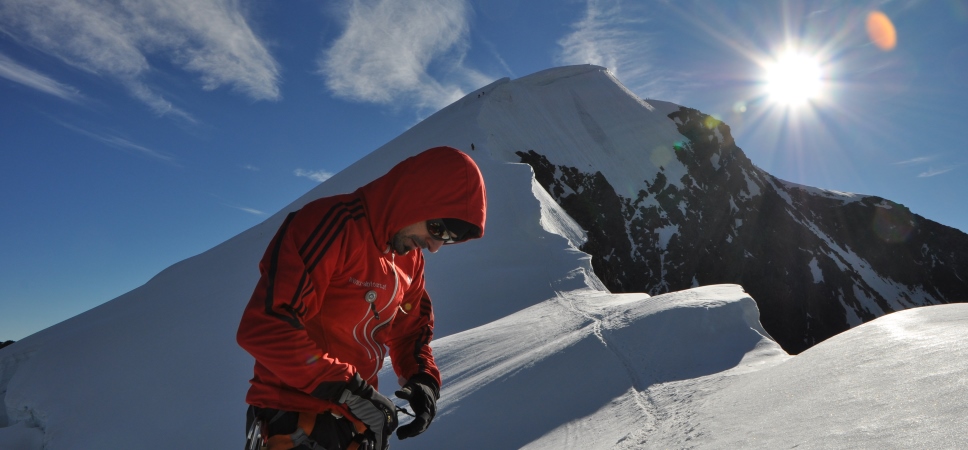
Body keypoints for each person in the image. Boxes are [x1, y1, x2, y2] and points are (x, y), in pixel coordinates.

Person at [237, 146, 487, 450]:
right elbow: (266, 327)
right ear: (412, 197)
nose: (434, 246)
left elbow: (411, 332)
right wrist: (349, 390)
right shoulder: (332, 225)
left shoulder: (410, 261)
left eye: (447, 239)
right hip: (294, 415)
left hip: (357, 424)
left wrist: (423, 380)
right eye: (436, 228)